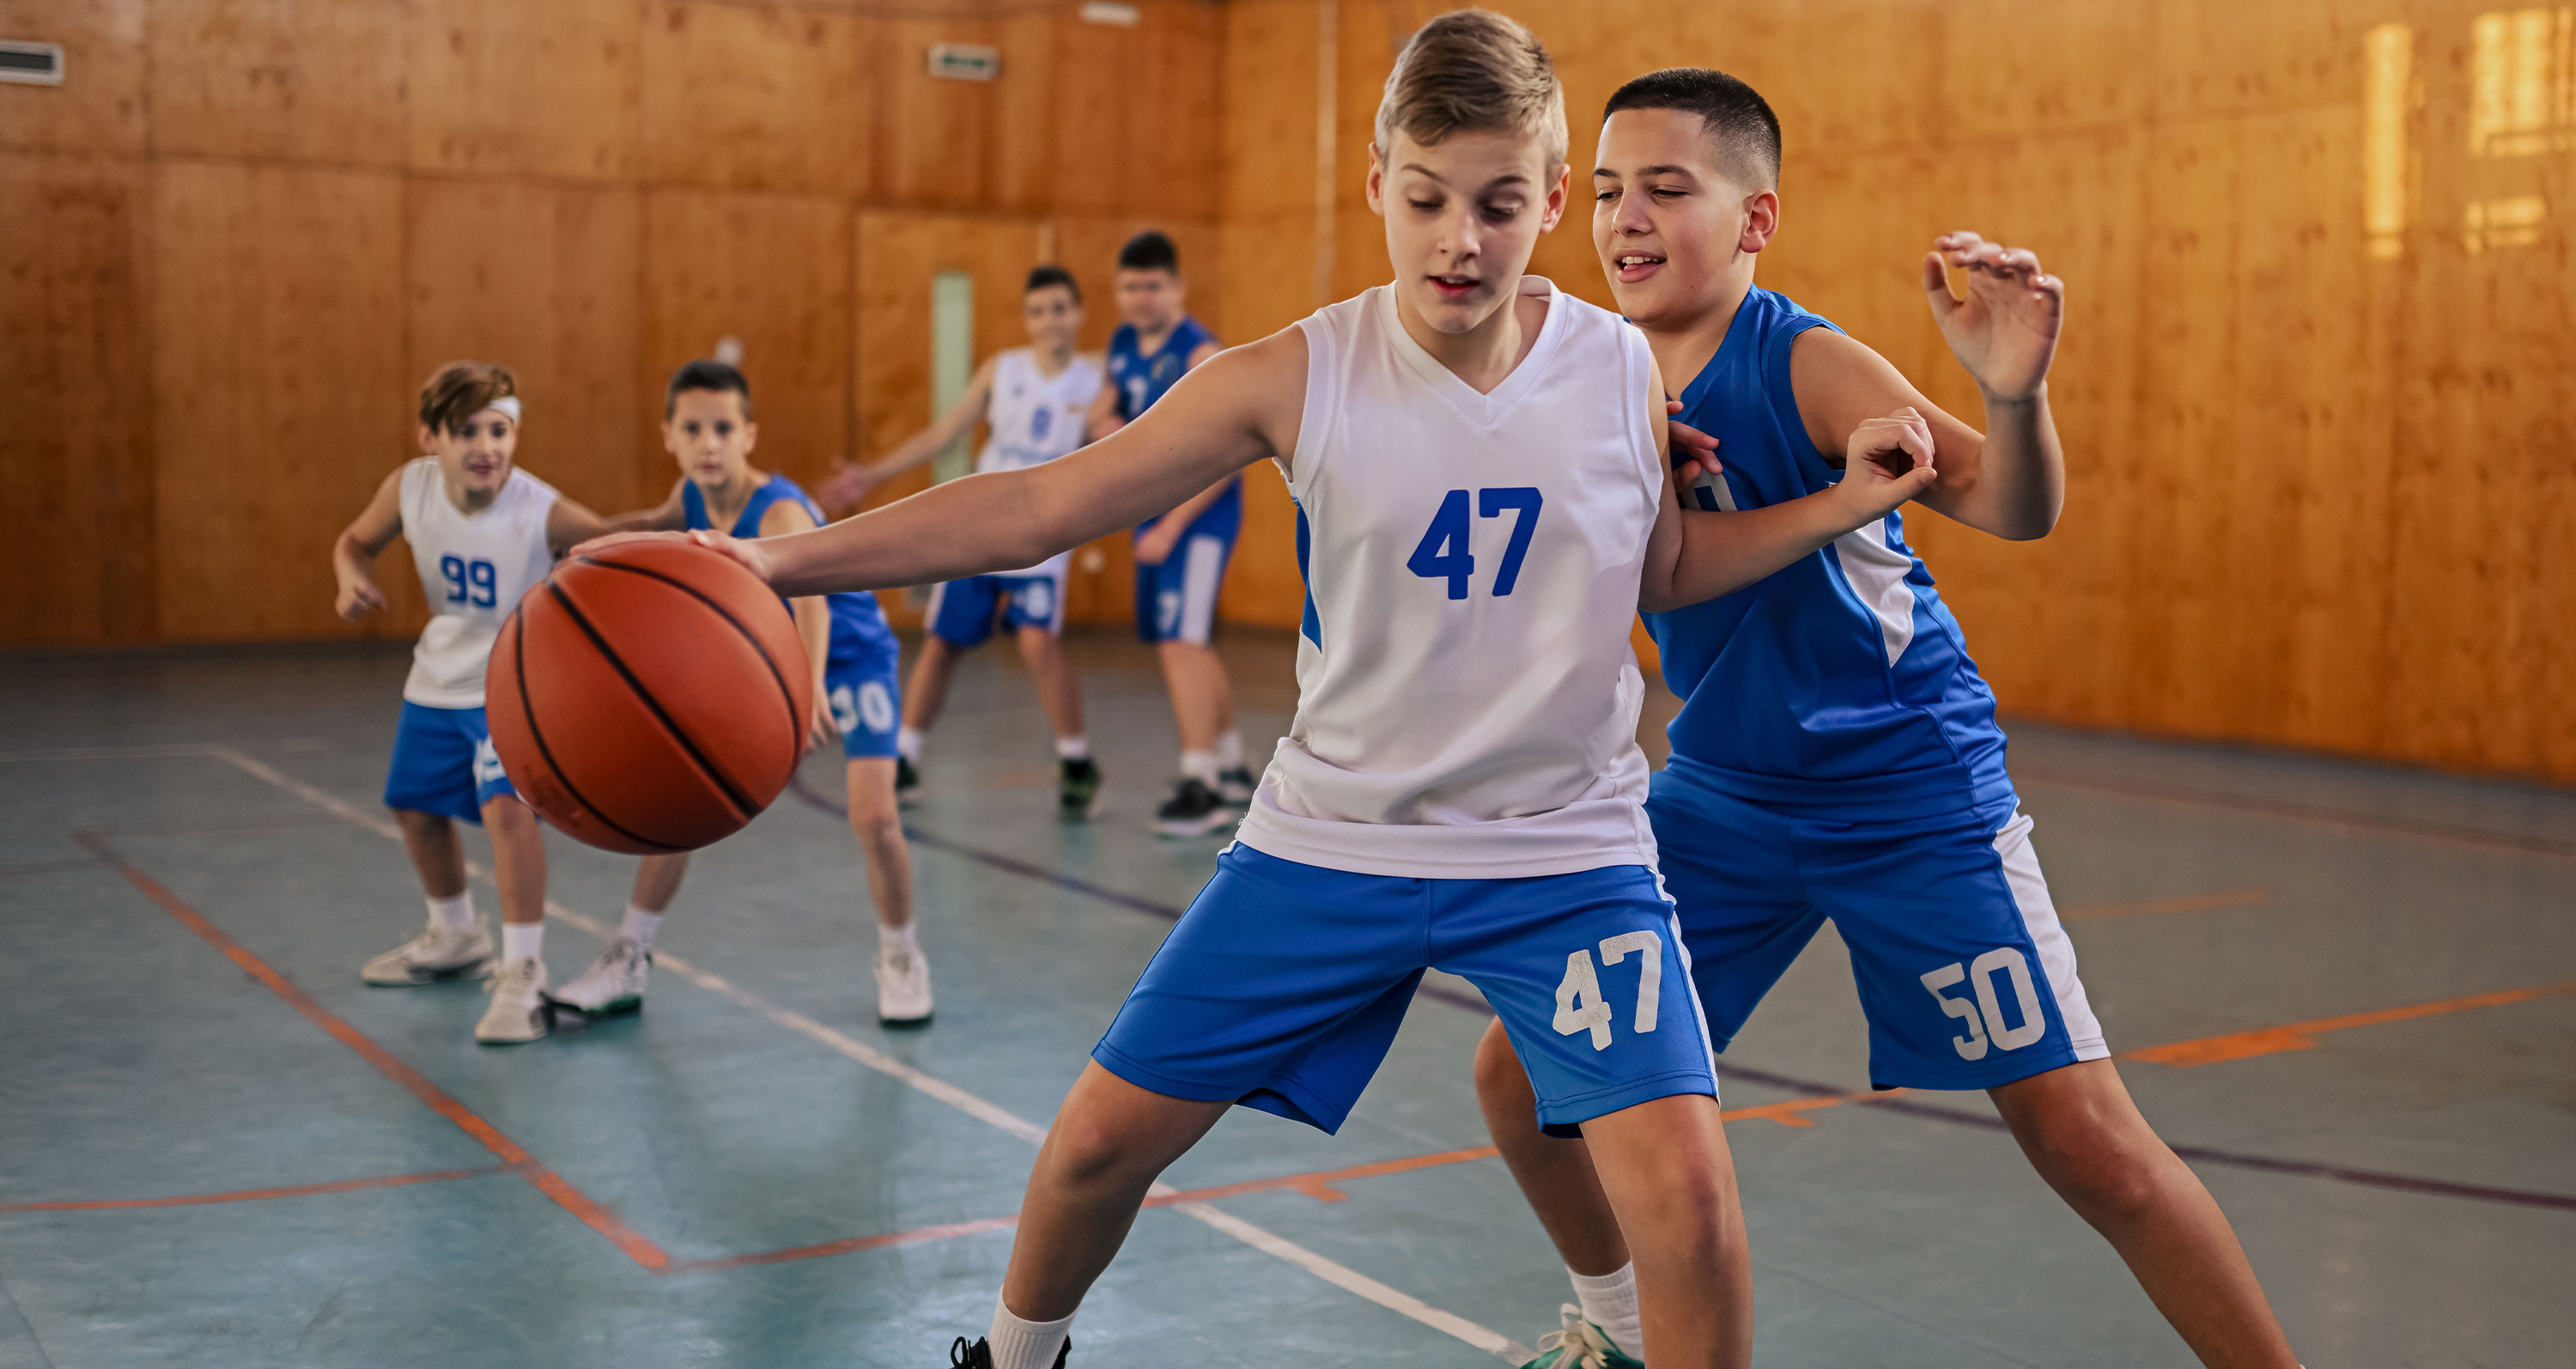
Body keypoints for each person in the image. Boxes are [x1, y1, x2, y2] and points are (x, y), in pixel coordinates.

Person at [655, 13, 1940, 1366]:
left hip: (1567, 849)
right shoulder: (1296, 374)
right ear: (1378, 182)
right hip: (1336, 838)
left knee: (1690, 1205)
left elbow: (1666, 563)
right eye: (1429, 198)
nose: (1461, 240)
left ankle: (1620, 1338)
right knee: (1095, 1151)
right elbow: (1038, 505)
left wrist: (1836, 506)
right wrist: (777, 560)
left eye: (1502, 205)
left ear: (1553, 200)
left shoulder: (1618, 365)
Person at [1479, 68, 2302, 1369]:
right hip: (1725, 797)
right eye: (1614, 191)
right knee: (1523, 1085)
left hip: (1909, 795)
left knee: (2091, 1146)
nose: (1630, 220)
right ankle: (1624, 1335)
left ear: (1755, 221)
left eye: (1671, 190)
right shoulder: (1591, 369)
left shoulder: (1799, 360)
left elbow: (2009, 508)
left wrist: (2013, 398)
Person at [547, 359, 932, 1025]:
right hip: (764, 659)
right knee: (686, 795)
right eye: (693, 428)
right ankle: (628, 955)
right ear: (669, 435)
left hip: (846, 660)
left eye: (724, 428)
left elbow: (812, 606)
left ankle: (901, 953)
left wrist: (811, 692)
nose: (709, 442)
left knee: (874, 818)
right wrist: (594, 541)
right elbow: (657, 519)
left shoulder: (777, 507)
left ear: (750, 435)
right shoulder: (693, 494)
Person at [332, 362, 613, 1044]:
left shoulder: (540, 509)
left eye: (500, 429)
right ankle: (456, 934)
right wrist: (350, 580)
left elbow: (613, 550)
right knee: (414, 806)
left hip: (511, 683)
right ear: (431, 437)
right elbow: (353, 542)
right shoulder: (409, 487)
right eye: (467, 432)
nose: (487, 446)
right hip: (439, 673)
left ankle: (524, 970)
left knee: (506, 813)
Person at [820, 266, 1104, 819]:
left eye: (1061, 308)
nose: (1051, 320)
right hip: (983, 523)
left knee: (1037, 644)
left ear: (1080, 314)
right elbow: (944, 432)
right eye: (1039, 310)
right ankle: (903, 757)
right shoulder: (1004, 369)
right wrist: (871, 475)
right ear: (1027, 319)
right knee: (943, 642)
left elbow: (1114, 448)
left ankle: (1076, 760)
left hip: (1046, 532)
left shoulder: (1097, 381)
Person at [1081, 232, 1245, 837]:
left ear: (1177, 288)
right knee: (1188, 641)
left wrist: (1173, 527)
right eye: (1130, 286)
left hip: (1199, 517)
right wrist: (1108, 421)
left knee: (1182, 642)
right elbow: (1098, 416)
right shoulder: (1122, 346)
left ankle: (1201, 785)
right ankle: (1231, 766)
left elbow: (1228, 460)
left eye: (1153, 285)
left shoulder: (1201, 355)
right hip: (1157, 513)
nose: (1141, 297)